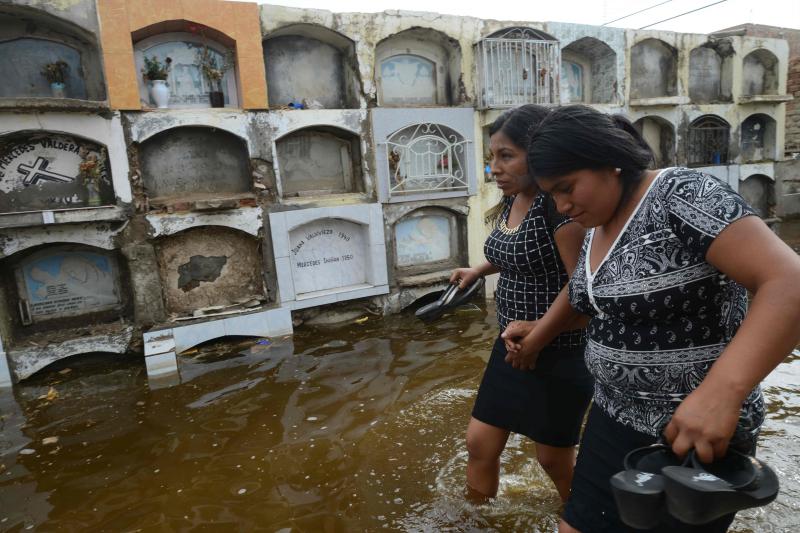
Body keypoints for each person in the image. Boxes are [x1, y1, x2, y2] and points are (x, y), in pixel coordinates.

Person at [506, 104, 800, 532]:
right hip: (613, 417)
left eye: (567, 188)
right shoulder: (596, 225)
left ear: (610, 162)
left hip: (693, 434)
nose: (562, 205)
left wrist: (722, 393)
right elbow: (606, 304)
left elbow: (788, 281)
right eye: (552, 194)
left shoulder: (680, 194)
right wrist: (540, 330)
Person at [450, 104, 592, 503]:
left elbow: (581, 286)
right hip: (511, 346)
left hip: (561, 351)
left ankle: (583, 518)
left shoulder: (557, 208)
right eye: (492, 157)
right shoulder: (513, 199)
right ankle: (477, 522)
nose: (494, 168)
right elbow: (519, 253)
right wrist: (478, 270)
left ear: (539, 153)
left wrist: (538, 338)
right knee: (479, 443)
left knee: (553, 459)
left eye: (506, 156)